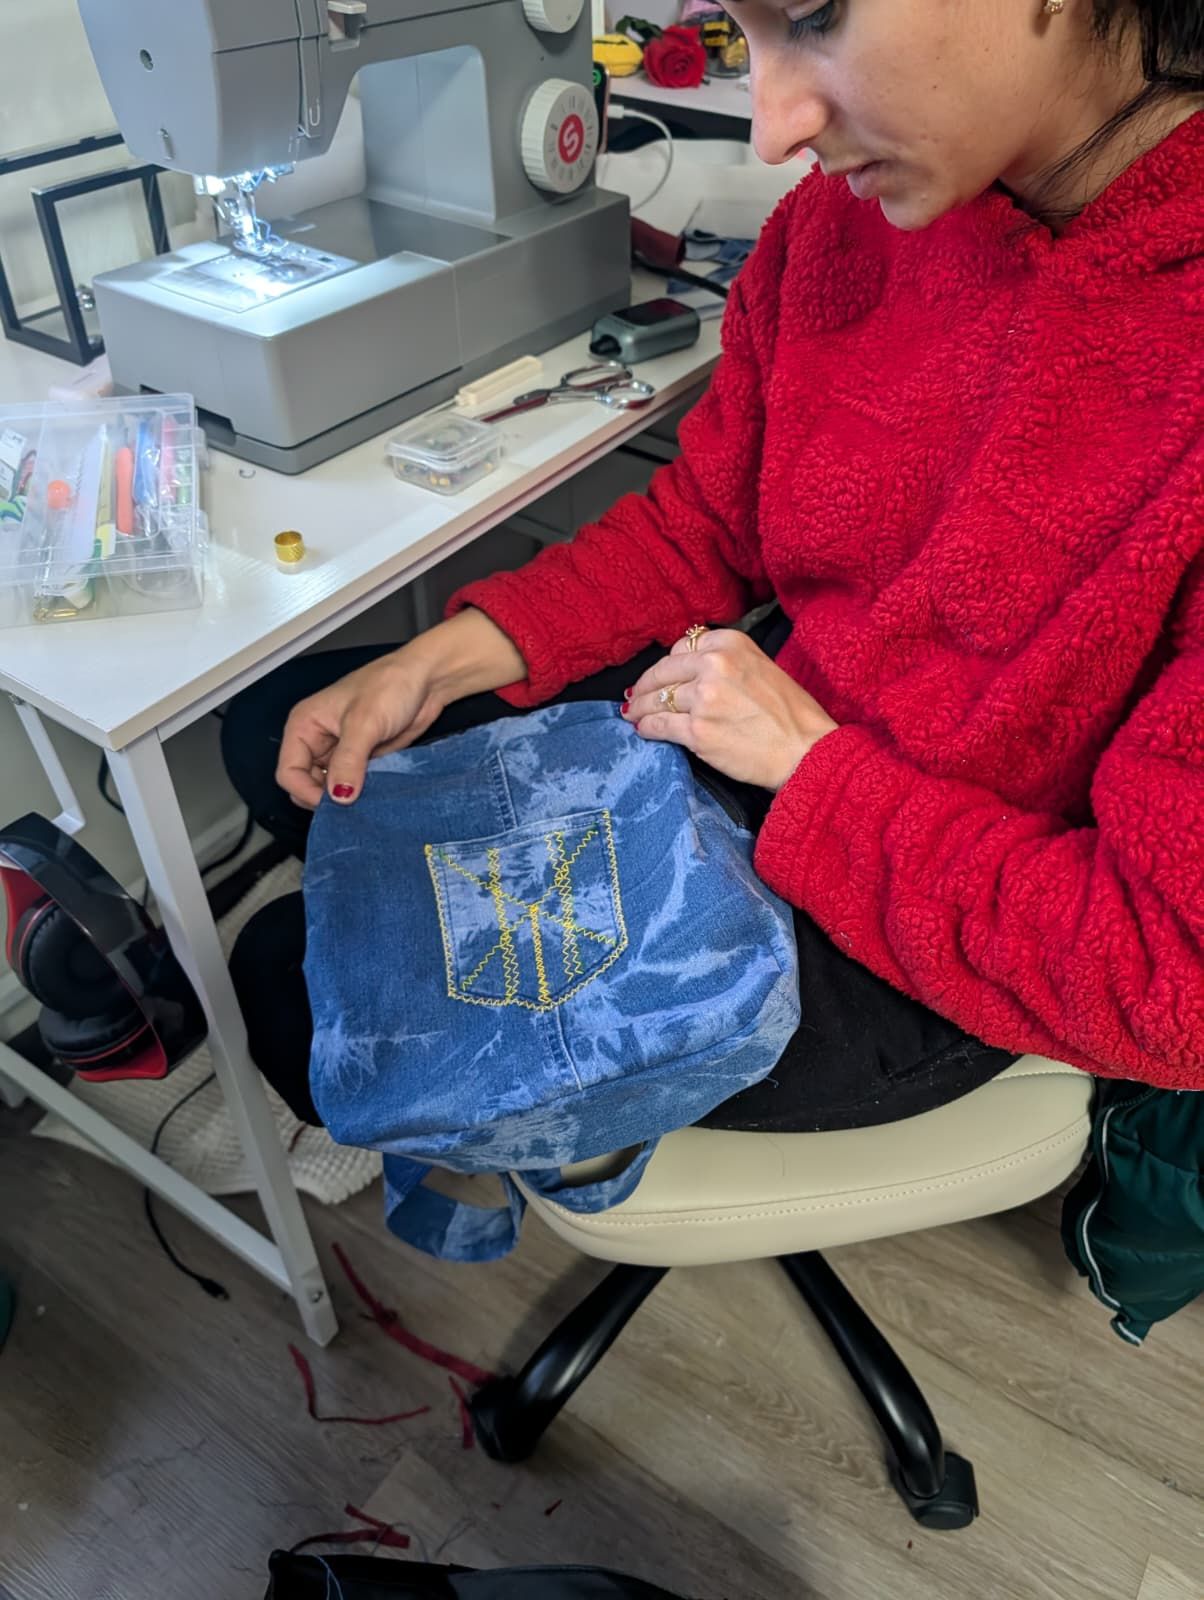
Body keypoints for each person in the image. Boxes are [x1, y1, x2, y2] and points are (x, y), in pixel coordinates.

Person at [223, 0, 1204, 1135]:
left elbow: (1168, 984)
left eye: (816, 17)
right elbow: (710, 523)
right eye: (747, 33)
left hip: (945, 913)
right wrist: (438, 661)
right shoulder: (846, 222)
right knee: (276, 734)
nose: (772, 129)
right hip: (764, 734)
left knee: (288, 986)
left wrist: (809, 767)